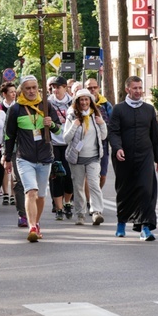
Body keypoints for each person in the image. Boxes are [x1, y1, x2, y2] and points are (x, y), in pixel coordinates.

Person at [3, 75, 62, 242]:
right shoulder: (16, 109)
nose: (31, 91)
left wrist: (51, 124)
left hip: (44, 157)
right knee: (31, 191)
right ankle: (32, 226)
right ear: (22, 90)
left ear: (38, 89)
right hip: (24, 158)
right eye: (27, 88)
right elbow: (9, 135)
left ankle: (36, 222)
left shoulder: (47, 105)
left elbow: (58, 131)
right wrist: (7, 157)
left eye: (33, 88)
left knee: (41, 195)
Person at [108, 76, 158, 241]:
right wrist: (117, 148)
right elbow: (114, 132)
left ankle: (145, 228)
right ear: (127, 90)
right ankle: (121, 223)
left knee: (147, 190)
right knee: (125, 190)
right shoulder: (118, 109)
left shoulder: (149, 109)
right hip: (124, 157)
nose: (138, 91)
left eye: (140, 88)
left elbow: (155, 135)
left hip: (145, 155)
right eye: (135, 88)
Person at [63, 88, 107, 225]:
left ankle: (96, 212)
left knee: (94, 184)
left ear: (90, 101)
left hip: (93, 156)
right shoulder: (72, 116)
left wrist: (103, 124)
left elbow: (104, 136)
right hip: (77, 158)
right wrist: (75, 126)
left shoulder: (96, 116)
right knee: (78, 187)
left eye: (86, 99)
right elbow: (66, 138)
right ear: (77, 102)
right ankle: (80, 214)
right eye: (81, 100)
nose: (84, 102)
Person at [47, 75, 74, 220]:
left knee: (69, 176)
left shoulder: (72, 102)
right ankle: (58, 207)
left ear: (65, 88)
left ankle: (68, 202)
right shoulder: (47, 103)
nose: (55, 90)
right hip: (53, 143)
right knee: (56, 175)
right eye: (53, 87)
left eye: (58, 87)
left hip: (69, 142)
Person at [85, 78, 113, 189]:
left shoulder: (106, 105)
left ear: (99, 88)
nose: (92, 89)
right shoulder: (81, 103)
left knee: (102, 175)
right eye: (89, 88)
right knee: (88, 176)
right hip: (87, 146)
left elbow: (112, 125)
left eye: (94, 87)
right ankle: (89, 200)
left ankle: (96, 194)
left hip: (103, 145)